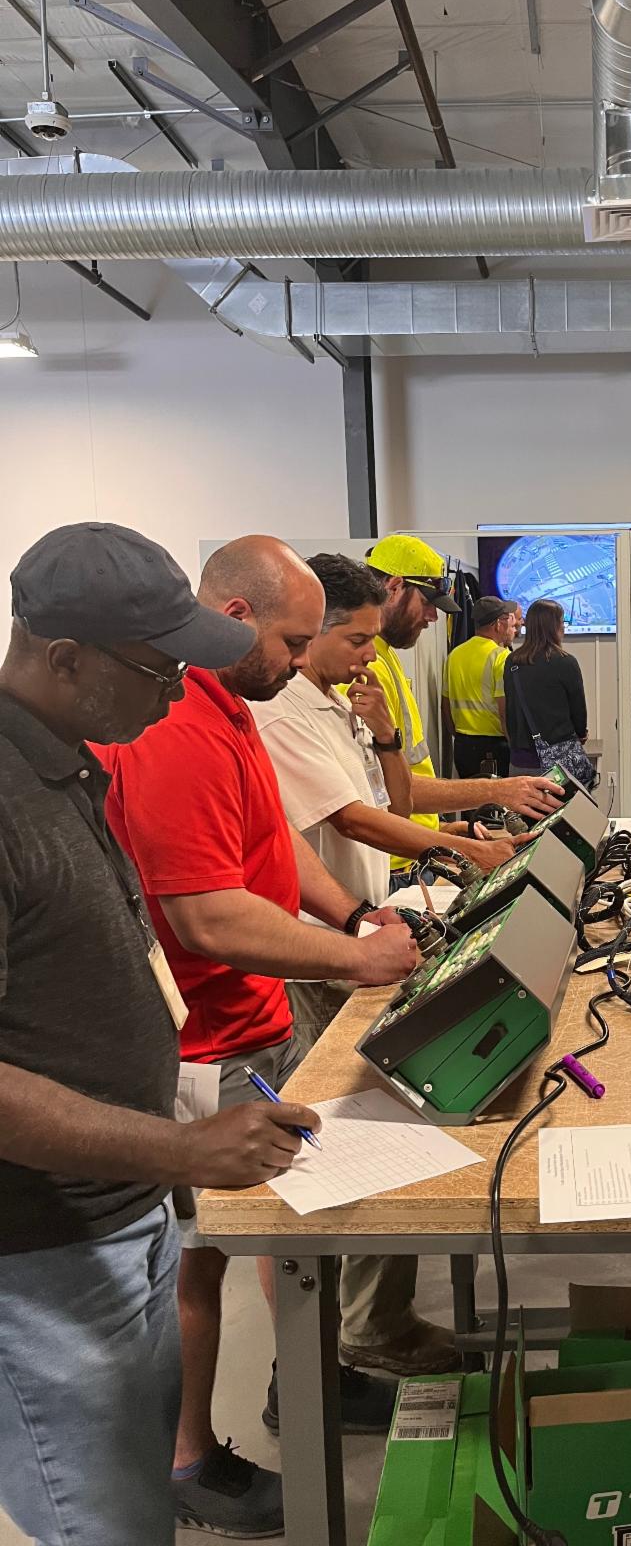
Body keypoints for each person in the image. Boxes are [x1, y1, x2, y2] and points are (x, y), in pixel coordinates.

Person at [0, 522, 322, 1546]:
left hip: (118, 1214)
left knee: (137, 1501)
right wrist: (182, 1147)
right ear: (65, 659)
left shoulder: (71, 763)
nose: (179, 693)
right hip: (39, 1252)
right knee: (101, 1522)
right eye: (159, 669)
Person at [100, 537, 422, 1540]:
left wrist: (347, 923)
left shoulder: (238, 708)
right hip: (201, 1047)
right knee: (199, 1263)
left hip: (256, 1027)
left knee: (282, 1244)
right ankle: (190, 1458)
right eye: (290, 638)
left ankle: (311, 1380)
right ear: (234, 614)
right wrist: (347, 962)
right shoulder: (172, 730)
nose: (301, 656)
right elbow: (204, 912)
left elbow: (270, 847)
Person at [253, 553, 462, 1379]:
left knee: (386, 1115)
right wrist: (467, 848)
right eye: (351, 639)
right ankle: (345, 1346)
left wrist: (383, 734)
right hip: (326, 955)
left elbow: (394, 803)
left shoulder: (333, 703)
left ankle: (363, 1327)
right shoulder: (279, 717)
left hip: (362, 934)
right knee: (364, 1127)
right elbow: (355, 822)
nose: (369, 655)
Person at [361, 535, 563, 868]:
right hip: (396, 860)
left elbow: (397, 776)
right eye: (427, 603)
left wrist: (442, 827)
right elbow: (377, 792)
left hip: (420, 837)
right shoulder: (365, 668)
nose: (433, 617)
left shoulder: (402, 656)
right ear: (395, 587)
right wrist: (498, 790)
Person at [503, 598, 591, 778]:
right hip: (559, 761)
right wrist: (581, 734)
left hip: (521, 761)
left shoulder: (513, 662)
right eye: (562, 622)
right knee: (566, 806)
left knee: (525, 806)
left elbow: (510, 708)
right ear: (555, 626)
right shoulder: (566, 662)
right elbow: (578, 708)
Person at [441, 595, 518, 780]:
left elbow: (445, 704)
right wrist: (513, 745)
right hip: (493, 747)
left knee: (470, 805)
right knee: (497, 806)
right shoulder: (501, 657)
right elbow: (504, 710)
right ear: (498, 625)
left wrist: (457, 735)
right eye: (507, 620)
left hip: (462, 745)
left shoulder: (455, 655)